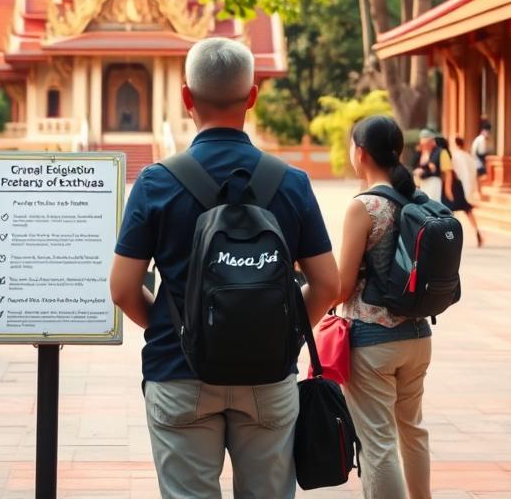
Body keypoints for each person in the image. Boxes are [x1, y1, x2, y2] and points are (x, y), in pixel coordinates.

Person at [110, 38, 340, 499]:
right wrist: (282, 332)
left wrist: (178, 327)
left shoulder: (157, 182)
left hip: (178, 370)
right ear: (253, 96)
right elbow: (328, 284)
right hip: (268, 375)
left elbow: (122, 289)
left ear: (185, 96)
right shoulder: (290, 183)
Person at [337, 115, 433, 499]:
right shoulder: (417, 199)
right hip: (418, 336)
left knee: (377, 443)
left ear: (359, 153)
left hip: (373, 341)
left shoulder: (365, 206)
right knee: (413, 430)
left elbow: (342, 286)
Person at [440, 137, 483, 248]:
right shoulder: (468, 156)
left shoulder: (453, 156)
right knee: (467, 209)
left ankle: (451, 236)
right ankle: (476, 231)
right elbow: (472, 173)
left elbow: (452, 173)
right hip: (460, 186)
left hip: (453, 185)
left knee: (449, 211)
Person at [411, 129, 449, 201]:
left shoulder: (439, 152)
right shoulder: (419, 153)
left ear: (432, 142)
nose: (425, 146)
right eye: (423, 144)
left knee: (433, 201)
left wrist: (447, 188)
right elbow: (414, 165)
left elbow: (445, 172)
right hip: (421, 182)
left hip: (434, 181)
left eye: (427, 143)